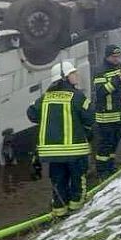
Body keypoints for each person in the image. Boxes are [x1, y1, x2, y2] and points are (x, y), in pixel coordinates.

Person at [27, 61, 94, 218]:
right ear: (64, 77)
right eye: (73, 73)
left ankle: (59, 215)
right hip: (75, 152)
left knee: (58, 183)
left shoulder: (45, 98)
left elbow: (31, 114)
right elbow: (90, 117)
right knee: (78, 182)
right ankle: (77, 214)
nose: (76, 75)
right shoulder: (77, 96)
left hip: (53, 154)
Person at [92, 44, 121, 180]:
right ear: (107, 56)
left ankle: (111, 167)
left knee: (115, 141)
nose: (117, 59)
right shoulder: (99, 71)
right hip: (105, 116)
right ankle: (102, 172)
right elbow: (101, 91)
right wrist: (117, 81)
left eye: (118, 56)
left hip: (118, 113)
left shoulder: (120, 66)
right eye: (114, 57)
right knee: (105, 144)